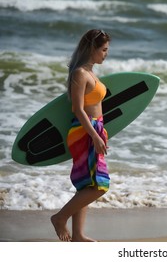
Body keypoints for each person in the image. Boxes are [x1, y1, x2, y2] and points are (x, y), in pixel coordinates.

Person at [51, 29, 111, 242]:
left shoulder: (90, 73)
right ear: (92, 48)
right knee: (100, 185)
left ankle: (78, 235)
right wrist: (94, 135)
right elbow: (78, 109)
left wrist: (100, 132)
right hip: (84, 132)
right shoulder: (80, 74)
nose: (106, 54)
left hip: (94, 130)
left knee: (86, 184)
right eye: (103, 50)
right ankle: (60, 218)